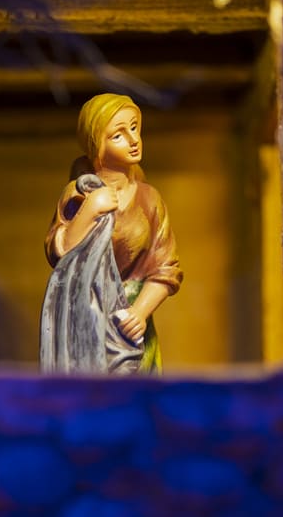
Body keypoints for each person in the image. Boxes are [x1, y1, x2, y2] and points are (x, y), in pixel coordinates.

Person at [40, 93, 183, 374]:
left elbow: (166, 268)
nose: (133, 140)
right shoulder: (79, 194)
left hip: (131, 323)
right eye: (118, 135)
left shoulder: (150, 199)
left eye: (134, 128)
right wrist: (90, 209)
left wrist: (140, 313)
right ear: (97, 146)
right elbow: (61, 252)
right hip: (86, 317)